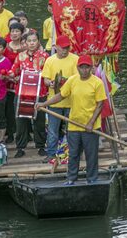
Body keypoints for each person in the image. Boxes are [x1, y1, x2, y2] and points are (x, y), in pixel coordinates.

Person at [36, 55, 105, 184]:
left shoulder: (97, 83)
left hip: (90, 126)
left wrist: (90, 123)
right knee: (73, 154)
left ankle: (92, 179)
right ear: (77, 68)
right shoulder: (72, 80)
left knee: (91, 155)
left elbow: (100, 104)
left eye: (87, 67)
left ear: (91, 68)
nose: (84, 70)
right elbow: (60, 96)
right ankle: (71, 178)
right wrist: (44, 104)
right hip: (74, 125)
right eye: (81, 67)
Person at [39, 34, 78, 164]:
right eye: (62, 48)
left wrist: (64, 81)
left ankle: (72, 153)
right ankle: (51, 154)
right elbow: (45, 79)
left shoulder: (75, 59)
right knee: (52, 130)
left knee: (71, 129)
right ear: (56, 47)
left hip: (70, 101)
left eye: (67, 48)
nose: (65, 50)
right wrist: (49, 83)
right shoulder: (50, 60)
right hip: (54, 100)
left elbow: (77, 80)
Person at [9, 31, 48, 158]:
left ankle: (41, 146)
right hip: (22, 93)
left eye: (34, 41)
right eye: (29, 41)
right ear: (25, 43)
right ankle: (20, 147)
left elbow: (48, 74)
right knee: (20, 121)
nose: (31, 43)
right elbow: (14, 70)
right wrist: (10, 75)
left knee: (39, 121)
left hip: (39, 92)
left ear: (38, 42)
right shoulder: (20, 56)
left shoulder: (44, 56)